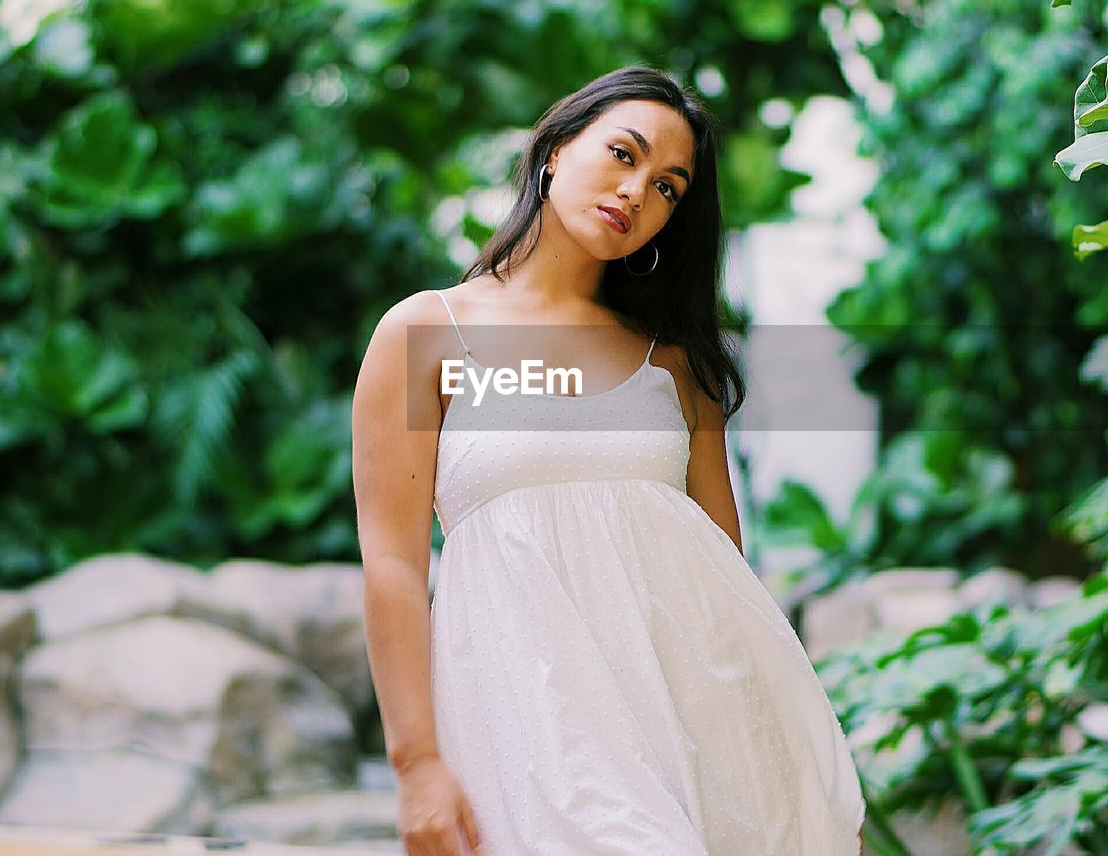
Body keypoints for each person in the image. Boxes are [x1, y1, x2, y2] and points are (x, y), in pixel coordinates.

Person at [352, 65, 866, 855]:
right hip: (527, 730)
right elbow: (392, 564)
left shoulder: (674, 362)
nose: (636, 192)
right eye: (623, 155)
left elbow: (723, 575)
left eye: (668, 187)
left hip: (695, 729)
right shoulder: (428, 336)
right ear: (555, 149)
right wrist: (417, 763)